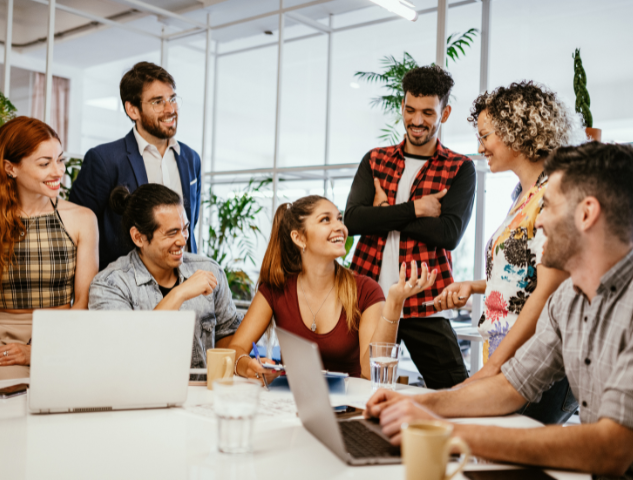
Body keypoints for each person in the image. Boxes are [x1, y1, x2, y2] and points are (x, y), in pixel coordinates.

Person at [365, 142, 633, 479]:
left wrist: (449, 435)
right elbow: (511, 385)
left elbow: (611, 449)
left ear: (586, 214)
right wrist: (419, 404)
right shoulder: (567, 300)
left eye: (546, 205)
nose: (537, 221)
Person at [433, 81, 580, 423]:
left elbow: (547, 291)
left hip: (535, 364)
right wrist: (475, 285)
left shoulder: (552, 193)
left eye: (486, 135)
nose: (481, 145)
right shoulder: (522, 195)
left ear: (517, 131)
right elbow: (526, 273)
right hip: (508, 355)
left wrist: (493, 370)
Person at [344, 65, 476, 389]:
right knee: (356, 385)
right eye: (411, 110)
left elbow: (448, 234)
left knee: (454, 390)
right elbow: (354, 220)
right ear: (402, 107)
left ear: (444, 113)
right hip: (368, 296)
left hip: (426, 300)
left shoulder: (460, 168)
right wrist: (417, 209)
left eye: (428, 112)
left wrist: (385, 213)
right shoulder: (375, 159)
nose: (417, 120)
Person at [228, 195, 437, 382]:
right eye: (325, 219)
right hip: (290, 407)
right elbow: (235, 349)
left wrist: (394, 304)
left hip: (350, 411)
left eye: (339, 218)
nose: (340, 227)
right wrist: (249, 366)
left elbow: (369, 371)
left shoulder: (366, 290)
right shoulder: (276, 289)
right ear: (299, 238)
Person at [88, 184, 241, 371]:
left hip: (203, 394)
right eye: (172, 233)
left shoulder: (209, 269)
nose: (183, 240)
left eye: (185, 229)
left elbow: (229, 335)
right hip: (141, 396)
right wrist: (179, 294)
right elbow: (125, 351)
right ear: (139, 237)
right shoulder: (110, 285)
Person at [0, 116, 99, 380]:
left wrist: (36, 350)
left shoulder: (82, 219)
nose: (58, 171)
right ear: (11, 168)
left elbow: (83, 304)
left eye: (60, 159)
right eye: (45, 163)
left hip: (63, 337)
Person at [70, 62, 202, 270]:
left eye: (173, 99)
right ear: (133, 110)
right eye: (158, 102)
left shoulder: (191, 158)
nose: (171, 109)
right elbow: (78, 229)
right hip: (124, 288)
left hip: (181, 280)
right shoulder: (104, 159)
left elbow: (188, 223)